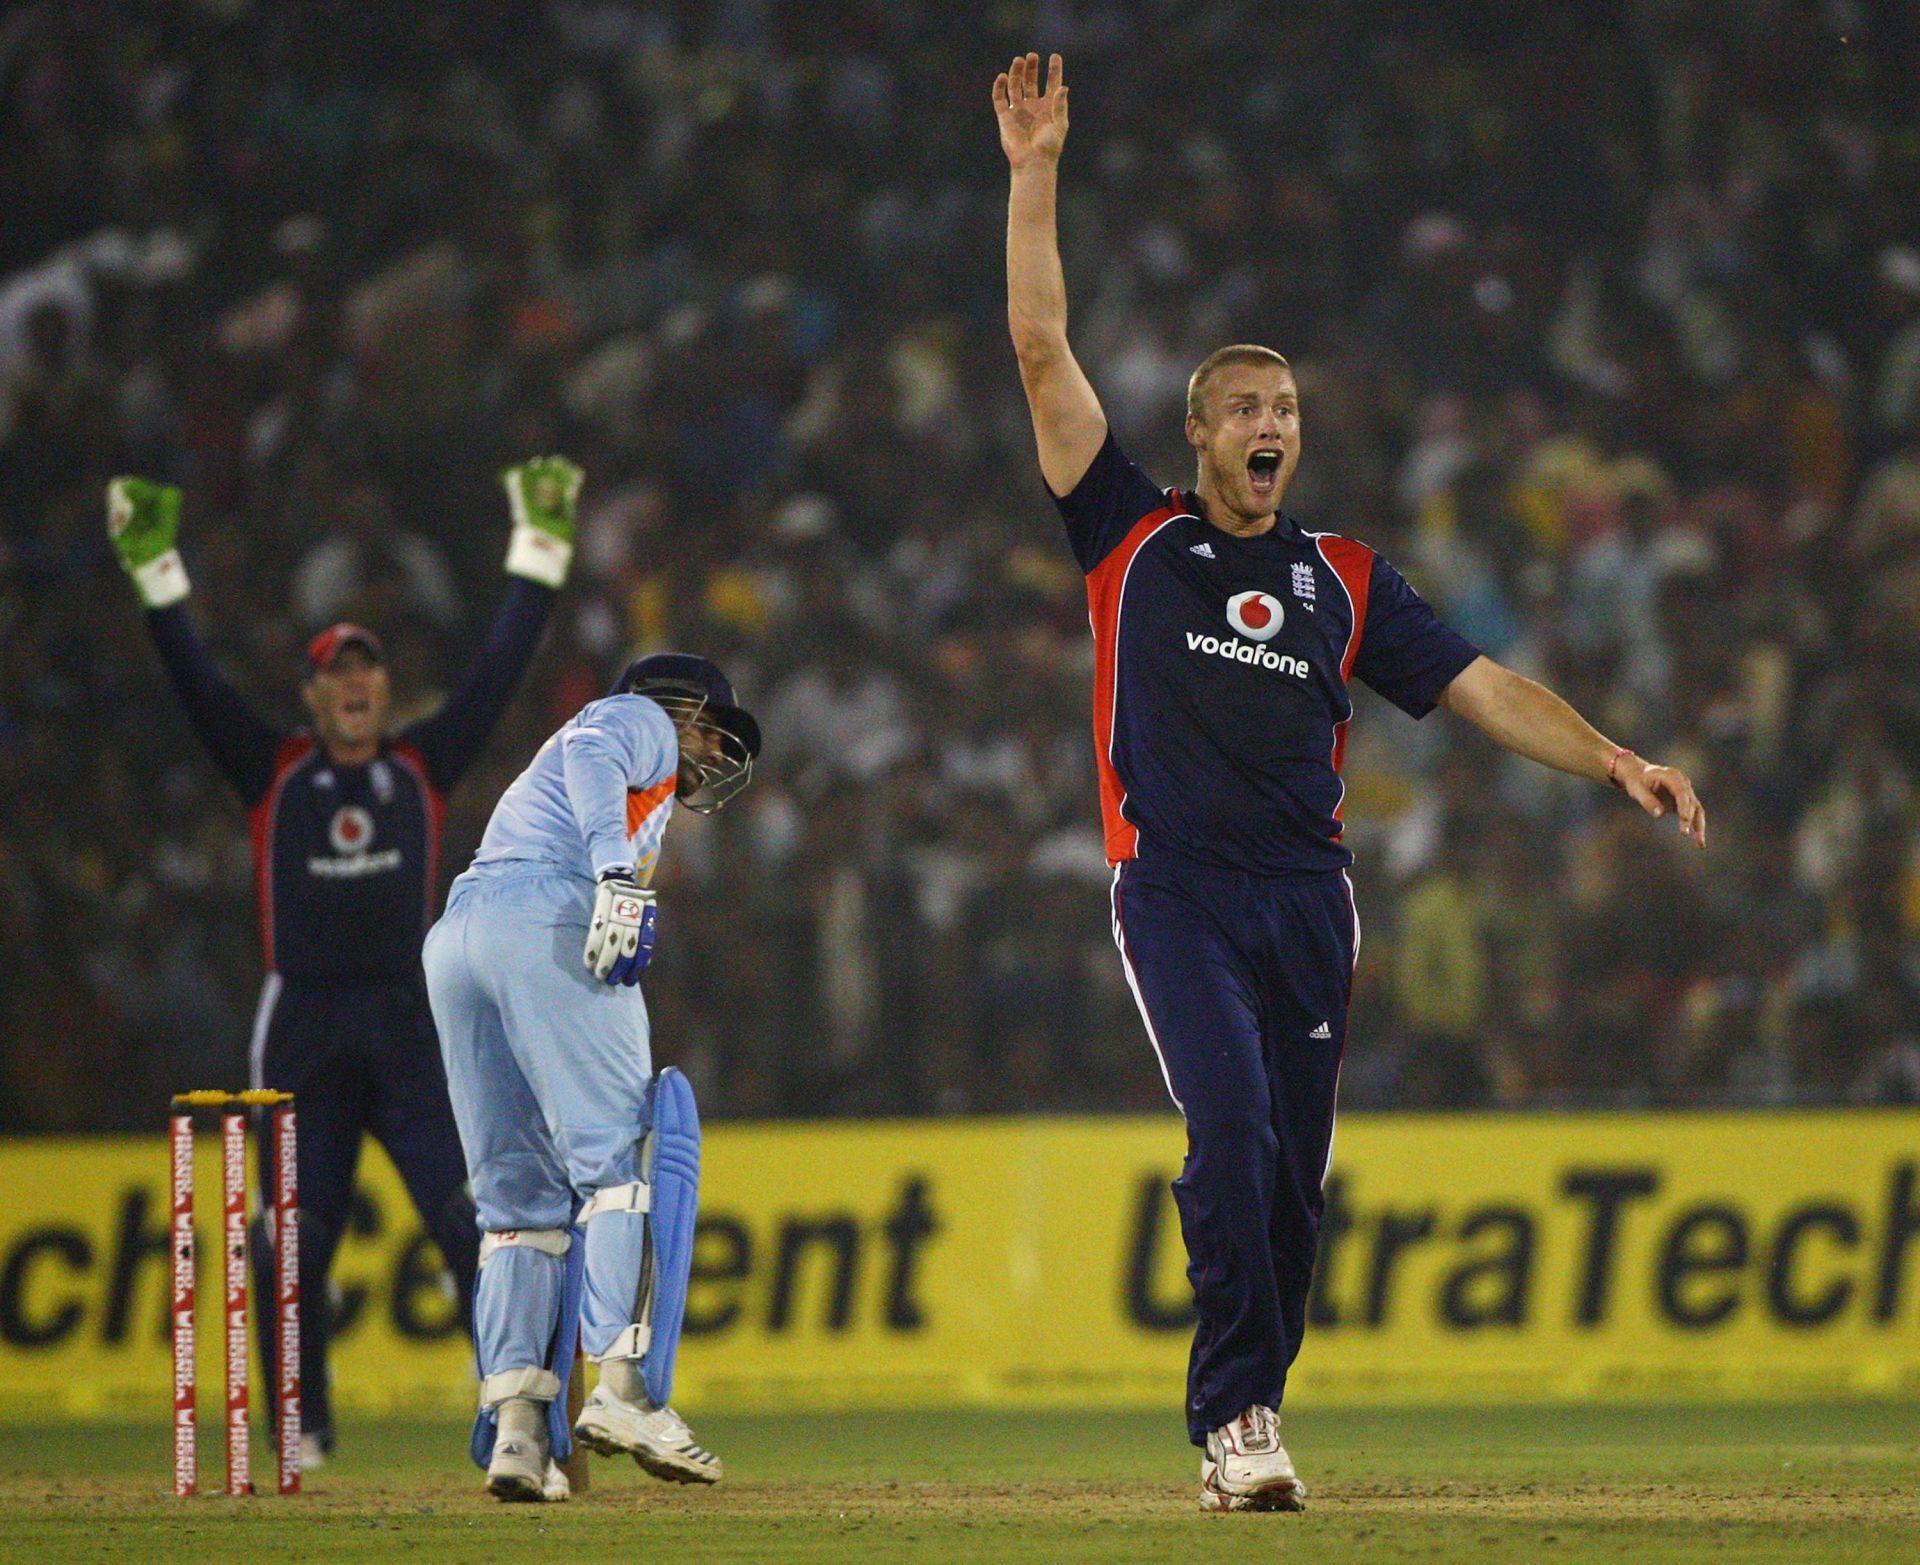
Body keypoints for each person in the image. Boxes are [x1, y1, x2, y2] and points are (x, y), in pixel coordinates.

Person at [994, 53, 1707, 1513]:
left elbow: (1487, 688)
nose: (1270, 422)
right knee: (1233, 1129)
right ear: (1197, 434)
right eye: (1243, 403)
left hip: (1312, 900)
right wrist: (1035, 172)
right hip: (1178, 891)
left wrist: (1617, 757)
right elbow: (1040, 349)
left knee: (1290, 1187)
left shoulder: (1345, 579)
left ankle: (1258, 1391)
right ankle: (1237, 1415)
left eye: (1288, 406)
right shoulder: (1129, 542)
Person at [106, 457, 585, 1466]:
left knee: (473, 1223)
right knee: (293, 1242)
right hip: (307, 1029)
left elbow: (498, 677)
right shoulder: (273, 770)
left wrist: (537, 554)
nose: (356, 683)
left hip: (415, 1027)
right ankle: (302, 1427)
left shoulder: (421, 765)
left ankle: (514, 1416)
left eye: (367, 667)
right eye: (337, 672)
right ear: (314, 695)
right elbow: (195, 684)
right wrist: (156, 574)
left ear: (384, 685)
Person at [421, 651, 760, 1502]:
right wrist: (613, 872)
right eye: (712, 727)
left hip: (460, 936)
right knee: (622, 1162)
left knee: (517, 1209)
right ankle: (625, 1391)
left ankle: (519, 1434)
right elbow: (596, 750)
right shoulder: (637, 719)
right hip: (548, 911)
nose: (714, 749)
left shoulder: (593, 777)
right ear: (684, 709)